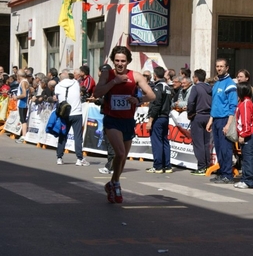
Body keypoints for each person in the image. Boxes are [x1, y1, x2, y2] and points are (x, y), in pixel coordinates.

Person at [94, 46, 155, 203]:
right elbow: (97, 93)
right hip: (111, 119)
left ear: (128, 61)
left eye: (123, 61)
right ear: (113, 61)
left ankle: (112, 182)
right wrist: (114, 81)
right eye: (117, 61)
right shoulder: (108, 74)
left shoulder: (135, 76)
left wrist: (139, 100)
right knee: (119, 153)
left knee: (123, 158)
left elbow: (152, 95)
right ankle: (116, 183)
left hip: (127, 120)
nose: (120, 64)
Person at [206, 58, 238, 184]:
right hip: (216, 119)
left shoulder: (230, 84)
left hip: (225, 119)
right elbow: (214, 104)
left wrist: (228, 124)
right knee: (218, 148)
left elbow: (232, 106)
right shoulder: (217, 83)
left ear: (227, 68)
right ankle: (221, 172)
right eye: (217, 66)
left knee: (226, 148)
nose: (219, 68)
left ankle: (228, 174)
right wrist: (210, 120)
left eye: (221, 66)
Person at [53, 69, 90, 166]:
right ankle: (79, 158)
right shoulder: (75, 83)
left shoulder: (57, 86)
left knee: (63, 135)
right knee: (77, 136)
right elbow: (76, 77)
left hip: (64, 113)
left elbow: (56, 97)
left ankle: (59, 157)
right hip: (76, 113)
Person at [146, 66, 173, 173]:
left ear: (155, 75)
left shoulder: (158, 87)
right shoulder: (167, 86)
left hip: (158, 117)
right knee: (165, 141)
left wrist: (150, 120)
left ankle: (158, 166)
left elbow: (156, 104)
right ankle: (167, 165)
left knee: (157, 142)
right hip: (165, 117)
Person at [233, 82, 253, 189]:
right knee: (245, 157)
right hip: (248, 133)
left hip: (250, 134)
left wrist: (243, 134)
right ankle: (244, 178)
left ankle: (249, 181)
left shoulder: (246, 104)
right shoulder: (244, 102)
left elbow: (246, 121)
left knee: (249, 157)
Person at [187, 69, 212, 176]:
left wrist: (190, 113)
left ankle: (201, 166)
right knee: (206, 143)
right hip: (208, 117)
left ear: (196, 78)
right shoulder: (210, 88)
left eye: (193, 77)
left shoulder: (195, 88)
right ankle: (206, 164)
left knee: (198, 143)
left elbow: (191, 101)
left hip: (198, 116)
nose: (193, 79)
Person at [14, 69, 30, 144]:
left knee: (23, 120)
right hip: (24, 103)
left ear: (19, 75)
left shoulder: (23, 82)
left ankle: (23, 136)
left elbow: (24, 94)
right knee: (23, 119)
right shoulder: (26, 82)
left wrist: (16, 97)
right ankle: (23, 135)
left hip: (22, 103)